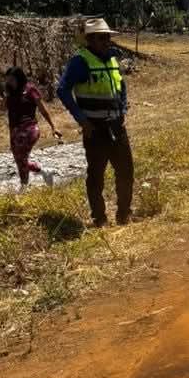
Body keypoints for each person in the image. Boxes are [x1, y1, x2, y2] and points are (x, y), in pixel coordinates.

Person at [57, 18, 134, 226]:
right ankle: (99, 218)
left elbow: (121, 85)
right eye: (101, 37)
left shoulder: (111, 59)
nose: (106, 41)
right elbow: (62, 90)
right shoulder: (80, 62)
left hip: (117, 125)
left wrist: (123, 106)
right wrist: (82, 120)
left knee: (126, 170)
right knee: (96, 174)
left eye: (107, 37)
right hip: (95, 129)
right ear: (89, 39)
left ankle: (124, 214)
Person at [4, 66, 62, 188]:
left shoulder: (30, 90)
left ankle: (24, 187)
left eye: (12, 79)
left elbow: (43, 110)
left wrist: (53, 127)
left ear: (19, 78)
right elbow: (10, 116)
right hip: (15, 131)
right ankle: (44, 171)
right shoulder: (10, 94)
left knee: (21, 159)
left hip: (29, 128)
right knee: (20, 160)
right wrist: (11, 136)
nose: (9, 82)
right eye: (8, 80)